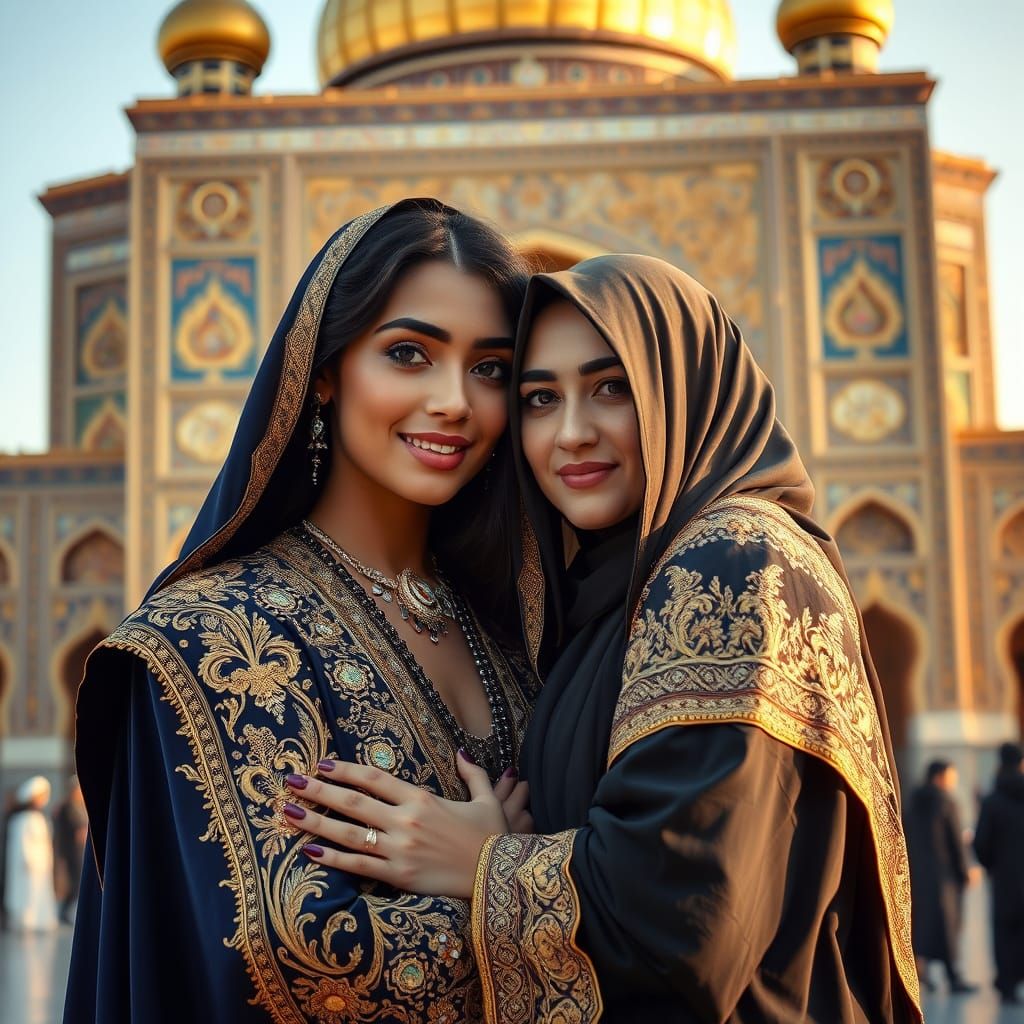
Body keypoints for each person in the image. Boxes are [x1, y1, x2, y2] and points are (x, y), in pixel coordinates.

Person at [289, 254, 923, 1022]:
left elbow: (681, 926)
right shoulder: (618, 587)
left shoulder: (730, 563)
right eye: (538, 399)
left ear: (682, 389)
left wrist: (485, 862)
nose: (571, 434)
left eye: (612, 388)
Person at [65, 199, 537, 1023]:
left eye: (490, 368)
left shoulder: (513, 632)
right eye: (408, 354)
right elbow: (301, 965)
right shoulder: (213, 642)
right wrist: (516, 878)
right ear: (325, 370)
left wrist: (489, 871)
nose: (455, 401)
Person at [904, 760, 977, 994]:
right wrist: (965, 871)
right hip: (943, 876)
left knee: (919, 924)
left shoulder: (913, 802)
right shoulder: (946, 802)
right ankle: (953, 977)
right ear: (939, 776)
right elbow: (956, 840)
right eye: (951, 775)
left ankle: (918, 973)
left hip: (917, 872)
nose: (953, 780)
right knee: (947, 926)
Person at [974, 741, 1024, 1005]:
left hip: (1004, 878)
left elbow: (981, 842)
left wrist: (991, 865)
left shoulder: (993, 800)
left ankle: (1007, 985)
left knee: (1005, 930)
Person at [2, 775, 59, 933]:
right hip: (28, 867)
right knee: (27, 895)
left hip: (42, 866)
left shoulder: (38, 817)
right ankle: (26, 921)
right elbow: (22, 844)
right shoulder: (22, 820)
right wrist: (28, 861)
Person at [52, 775, 88, 924]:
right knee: (74, 881)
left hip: (80, 850)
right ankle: (65, 912)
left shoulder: (79, 806)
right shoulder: (68, 807)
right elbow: (76, 829)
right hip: (72, 850)